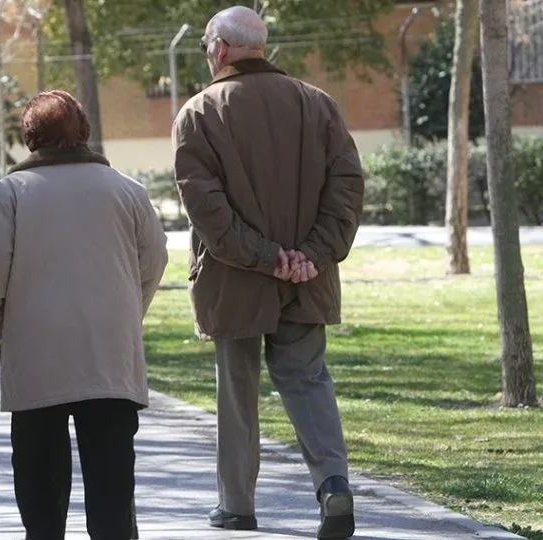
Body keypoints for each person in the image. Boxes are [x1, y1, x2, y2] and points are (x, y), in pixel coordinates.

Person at [172, 6, 365, 540]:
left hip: (234, 279)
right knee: (308, 379)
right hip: (307, 277)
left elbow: (207, 210)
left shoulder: (199, 112)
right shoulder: (317, 104)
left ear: (218, 48)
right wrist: (310, 254)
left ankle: (237, 505)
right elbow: (347, 188)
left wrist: (266, 256)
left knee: (237, 391)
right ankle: (333, 484)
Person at [0, 90, 169, 540]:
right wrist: (128, 310)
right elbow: (154, 258)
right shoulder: (127, 190)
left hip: (36, 351)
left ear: (29, 137)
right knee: (112, 484)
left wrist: (0, 323)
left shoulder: (11, 193)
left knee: (39, 483)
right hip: (109, 351)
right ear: (84, 131)